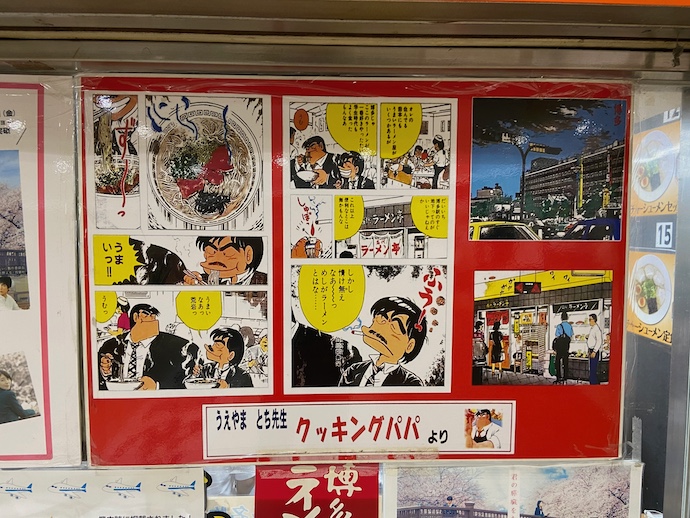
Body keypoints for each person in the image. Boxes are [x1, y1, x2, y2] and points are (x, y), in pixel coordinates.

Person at [98, 304, 196, 390]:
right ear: (136, 317)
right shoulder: (111, 344)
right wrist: (104, 371)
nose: (154, 320)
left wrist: (157, 386)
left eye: (154, 317)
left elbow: (180, 379)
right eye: (149, 316)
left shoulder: (172, 345)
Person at [339, 296, 427, 387]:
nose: (378, 330)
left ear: (409, 346)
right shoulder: (353, 371)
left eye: (394, 327)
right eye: (379, 320)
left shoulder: (411, 382)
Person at [184, 236, 267, 286]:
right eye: (210, 252)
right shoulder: (202, 280)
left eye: (228, 253)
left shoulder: (265, 282)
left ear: (248, 255)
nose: (216, 259)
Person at [553, 311, 573, 384]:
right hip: (566, 346)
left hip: (560, 346)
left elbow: (557, 335)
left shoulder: (559, 326)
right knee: (565, 362)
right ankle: (565, 377)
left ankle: (558, 377)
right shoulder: (570, 326)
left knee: (557, 361)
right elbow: (571, 335)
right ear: (567, 318)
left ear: (561, 318)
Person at [587, 313, 603, 385]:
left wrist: (594, 351)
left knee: (593, 369)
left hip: (594, 351)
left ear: (594, 320)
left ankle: (594, 384)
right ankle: (593, 383)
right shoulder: (592, 328)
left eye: (590, 319)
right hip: (591, 350)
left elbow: (599, 341)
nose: (589, 321)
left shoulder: (597, 329)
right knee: (591, 369)